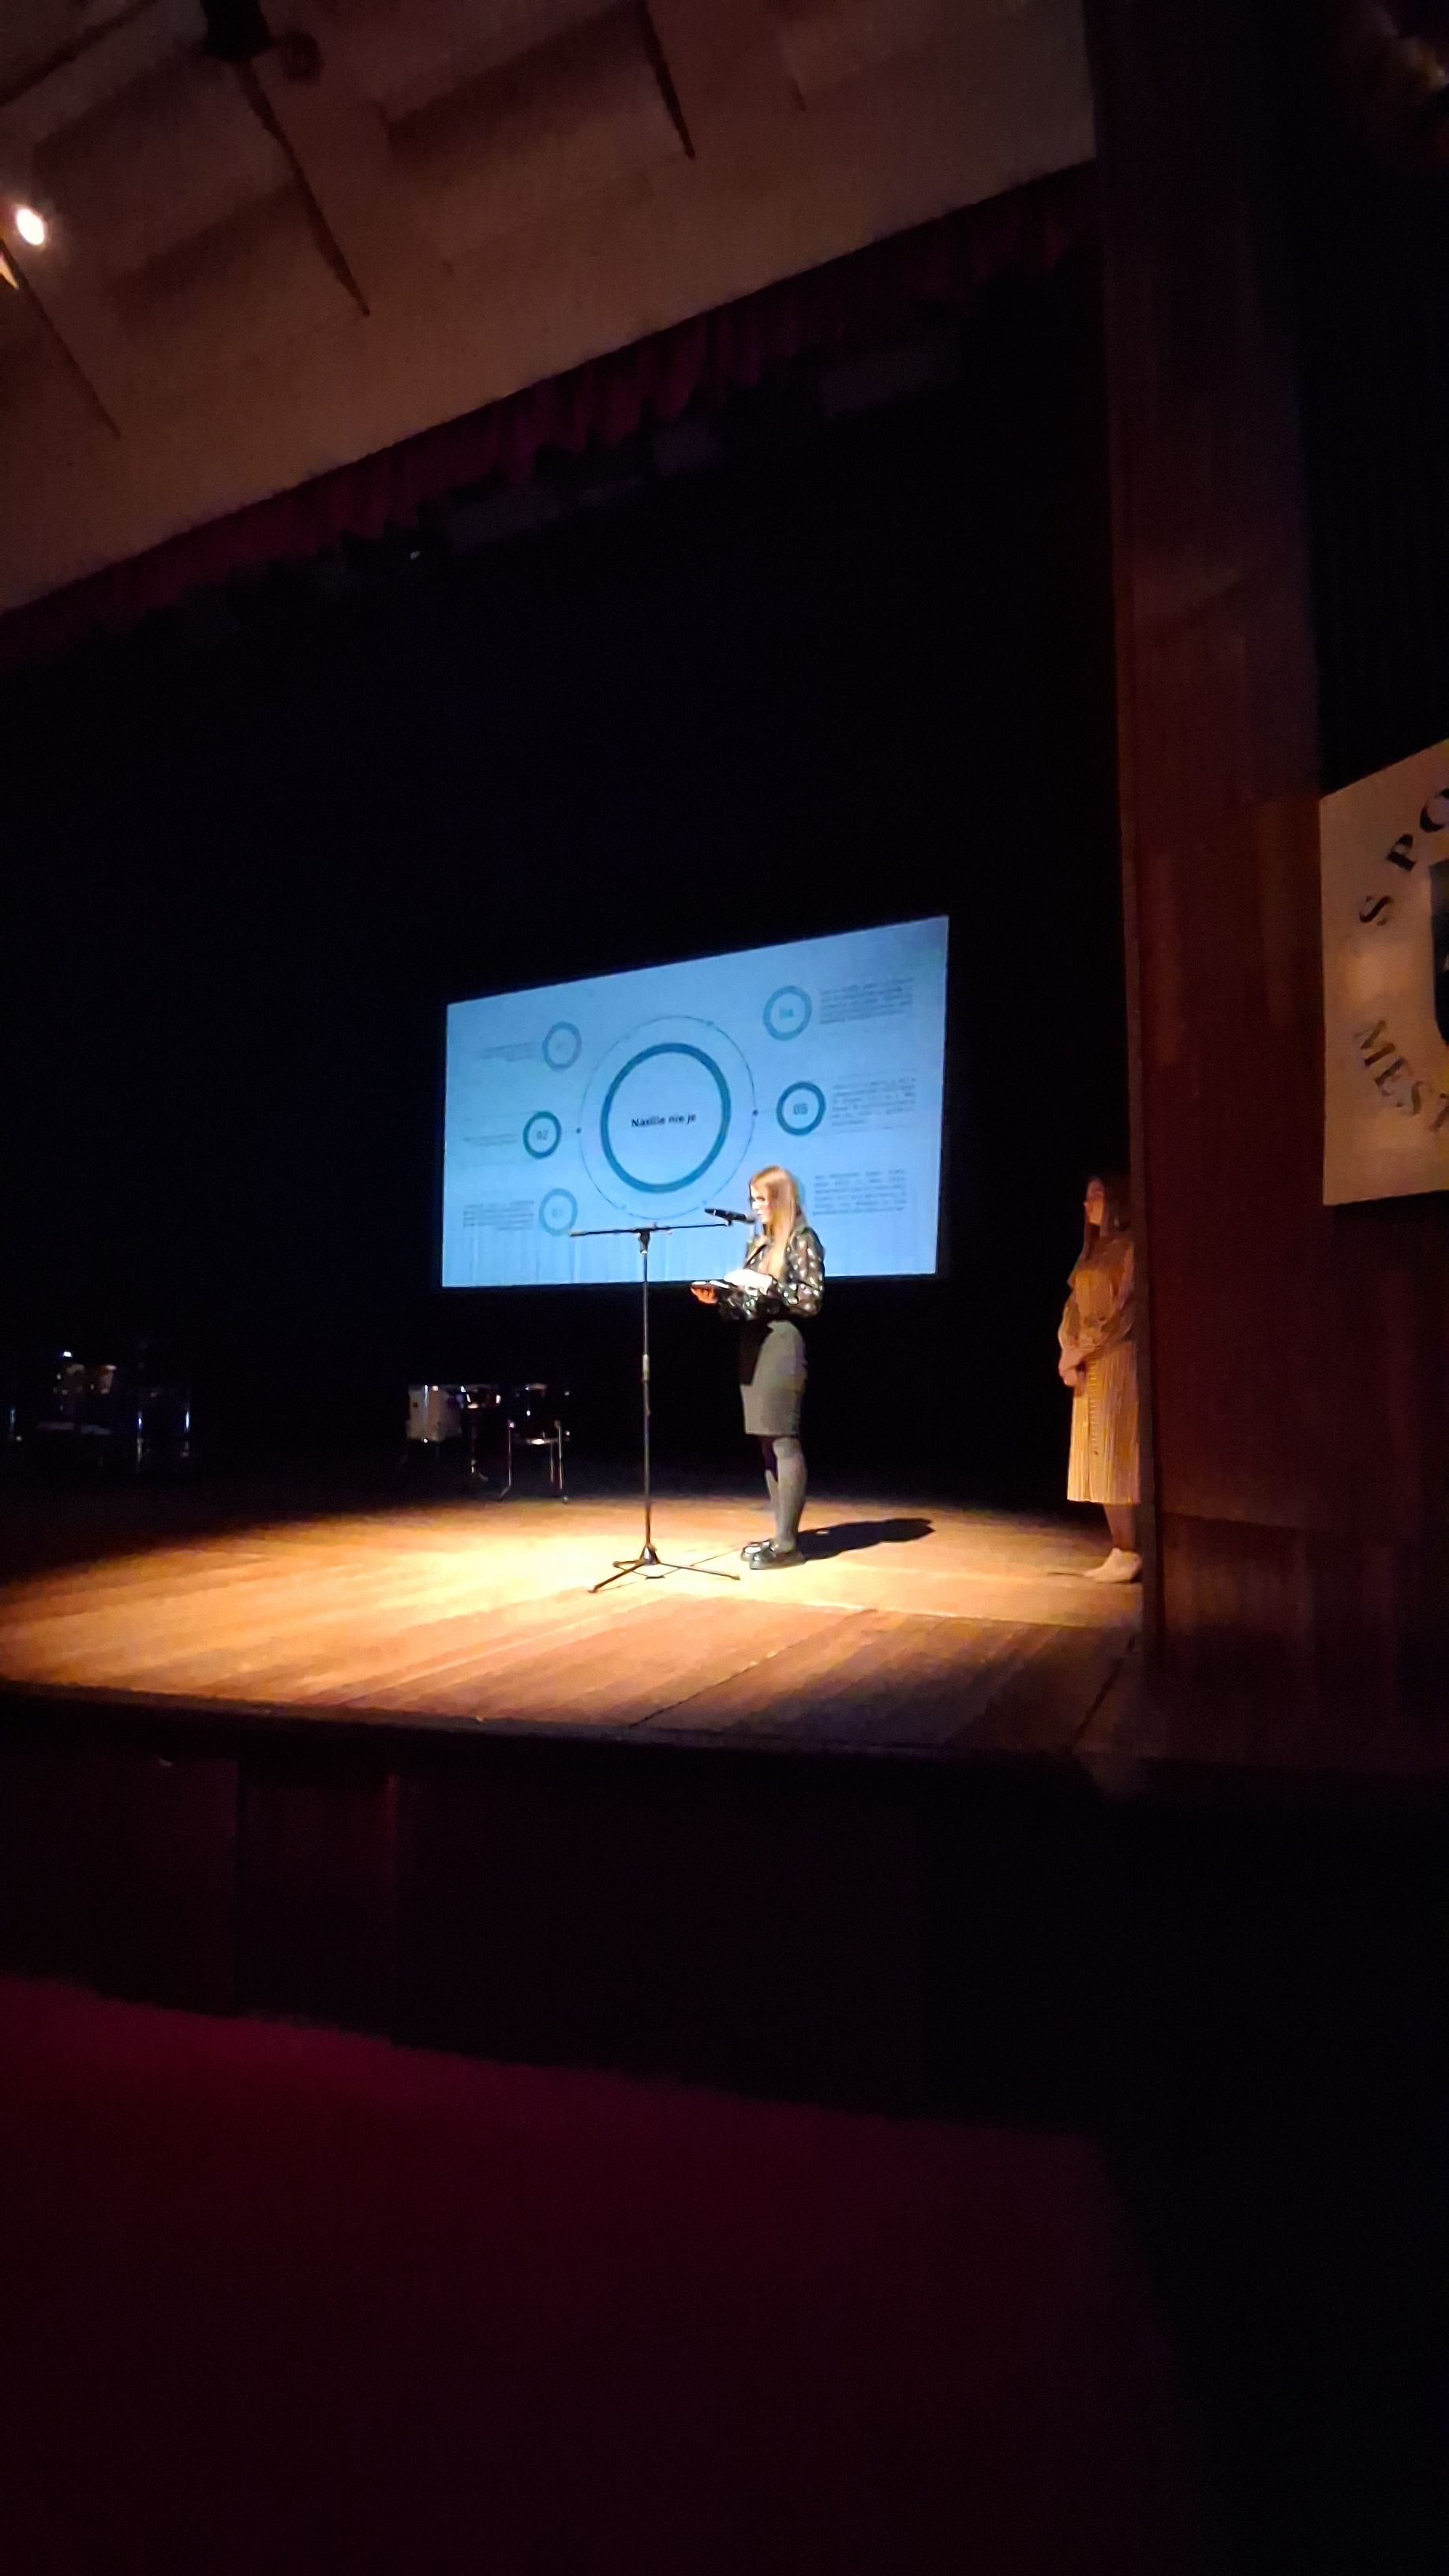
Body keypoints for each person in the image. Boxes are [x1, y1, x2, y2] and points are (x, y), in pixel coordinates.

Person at [691, 1165, 825, 1567]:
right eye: (752, 1199)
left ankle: (788, 1546)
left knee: (783, 1440)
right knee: (767, 1443)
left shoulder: (801, 1239)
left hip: (781, 1342)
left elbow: (811, 1299)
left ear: (781, 1199)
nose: (756, 1206)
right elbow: (748, 1305)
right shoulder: (760, 1243)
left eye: (762, 1199)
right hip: (754, 1344)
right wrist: (721, 1299)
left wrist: (770, 1286)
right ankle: (781, 1535)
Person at [1058, 1174, 1140, 1582]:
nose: (1087, 1203)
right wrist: (1066, 1351)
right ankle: (1119, 1546)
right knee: (1098, 1457)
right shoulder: (1090, 1255)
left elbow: (1124, 1312)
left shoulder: (1130, 1248)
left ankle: (1132, 1547)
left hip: (1114, 1360)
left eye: (1097, 1195)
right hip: (1088, 1364)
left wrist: (1082, 1350)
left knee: (1117, 1452)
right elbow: (1072, 1309)